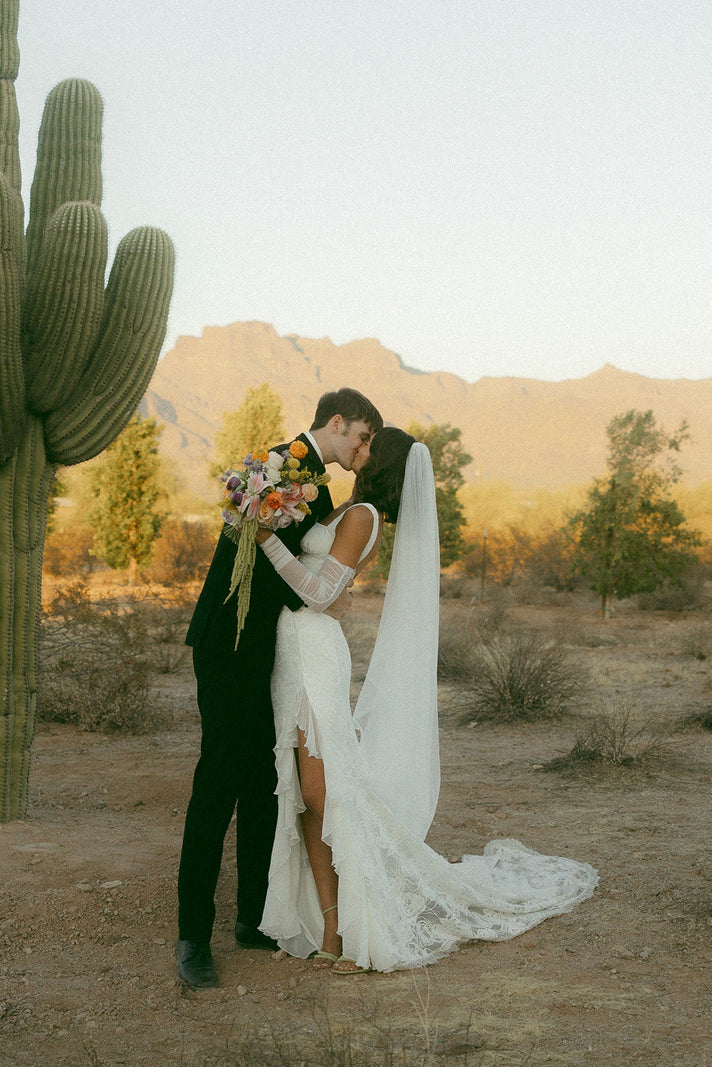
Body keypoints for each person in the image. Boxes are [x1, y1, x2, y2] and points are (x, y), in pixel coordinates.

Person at [255, 428, 599, 973]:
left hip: (316, 652)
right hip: (292, 651)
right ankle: (330, 928)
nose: (359, 447)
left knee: (325, 797)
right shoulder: (343, 506)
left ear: (382, 462)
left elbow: (320, 595)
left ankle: (360, 925)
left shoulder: (363, 515)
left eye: (369, 444)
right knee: (303, 797)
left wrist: (266, 541)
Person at [175, 388, 383, 988]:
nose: (363, 450)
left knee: (265, 783)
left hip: (271, 651)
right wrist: (323, 599)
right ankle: (193, 936)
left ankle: (252, 916)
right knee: (219, 778)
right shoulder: (277, 470)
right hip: (229, 642)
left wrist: (328, 593)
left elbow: (299, 567)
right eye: (361, 437)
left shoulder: (316, 486)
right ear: (337, 423)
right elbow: (262, 564)